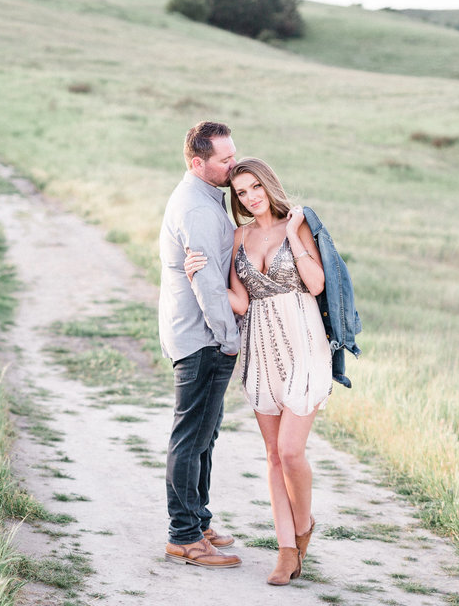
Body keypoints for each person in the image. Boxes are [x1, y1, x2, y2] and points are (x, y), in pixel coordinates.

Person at [185, 157, 330, 585]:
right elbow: (242, 302)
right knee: (271, 455)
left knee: (290, 451)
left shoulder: (299, 223)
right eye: (241, 192)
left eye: (255, 188)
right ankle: (286, 550)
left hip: (304, 343)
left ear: (269, 185)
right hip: (261, 346)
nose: (249, 198)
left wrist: (292, 236)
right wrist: (203, 278)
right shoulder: (238, 237)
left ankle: (303, 527)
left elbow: (317, 283)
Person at [158, 121, 243, 569]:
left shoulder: (208, 198)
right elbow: (208, 284)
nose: (233, 164)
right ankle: (184, 536)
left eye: (233, 154)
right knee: (190, 439)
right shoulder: (197, 209)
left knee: (204, 436)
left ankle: (199, 520)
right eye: (224, 159)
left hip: (201, 335)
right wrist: (228, 339)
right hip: (204, 337)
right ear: (198, 163)